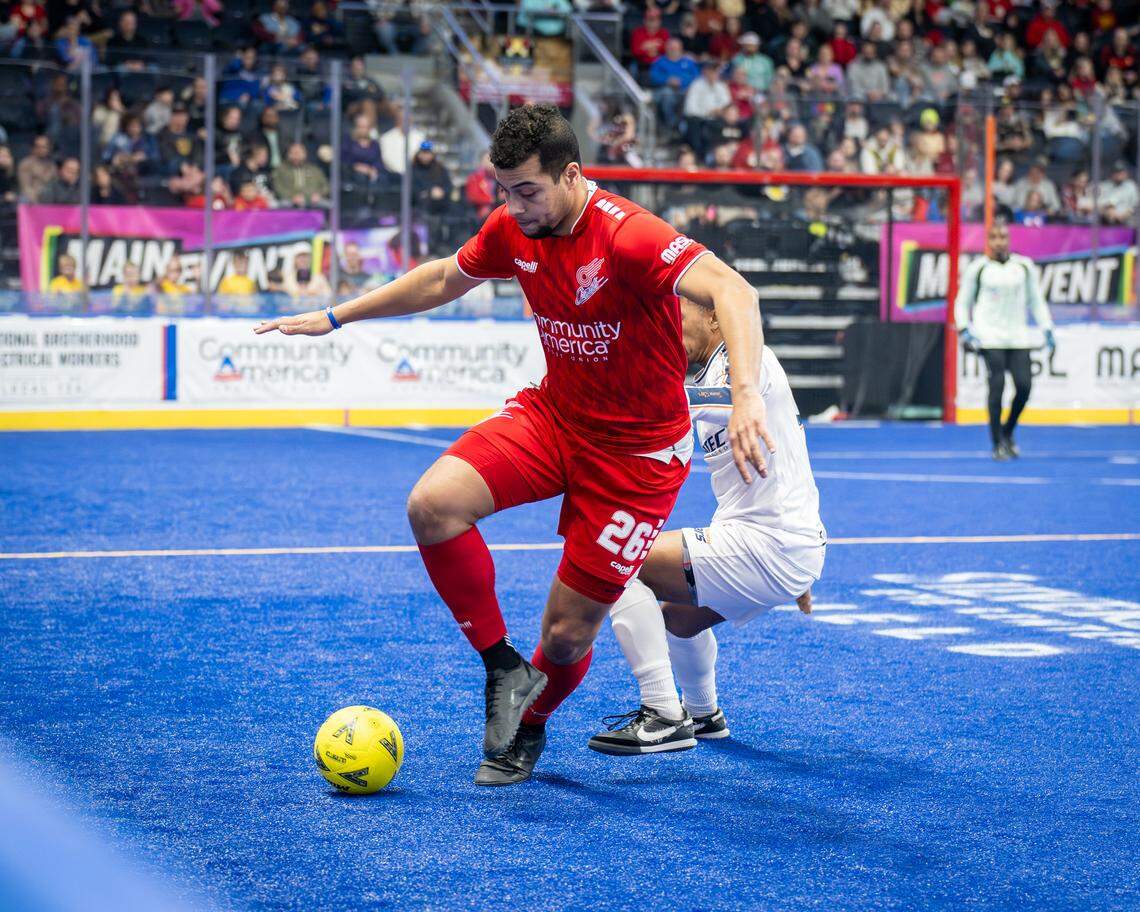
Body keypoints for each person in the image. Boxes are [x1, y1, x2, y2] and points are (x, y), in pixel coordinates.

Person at [254, 104, 774, 787]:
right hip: (556, 417)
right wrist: (334, 315)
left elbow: (733, 289)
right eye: (503, 190)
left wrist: (745, 396)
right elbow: (444, 277)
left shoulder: (628, 237)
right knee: (432, 505)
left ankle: (527, 728)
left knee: (565, 635)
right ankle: (503, 668)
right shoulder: (513, 225)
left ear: (571, 175)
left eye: (526, 190)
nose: (512, 205)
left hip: (637, 460)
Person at [589, 297, 824, 754]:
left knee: (616, 557)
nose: (667, 328)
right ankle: (704, 714)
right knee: (677, 621)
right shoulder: (710, 373)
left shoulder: (745, 362)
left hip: (770, 545)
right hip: (782, 544)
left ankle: (661, 713)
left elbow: (719, 396)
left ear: (716, 316)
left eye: (675, 317)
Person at [955, 222, 1055, 461]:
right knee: (996, 388)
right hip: (989, 337)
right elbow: (962, 302)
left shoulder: (1023, 266)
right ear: (988, 241)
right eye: (994, 238)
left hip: (1018, 336)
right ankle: (996, 442)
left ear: (1009, 239)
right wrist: (964, 329)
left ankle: (1008, 431)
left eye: (1003, 237)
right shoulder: (977, 268)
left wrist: (1047, 327)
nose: (999, 242)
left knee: (1024, 387)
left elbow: (1036, 301)